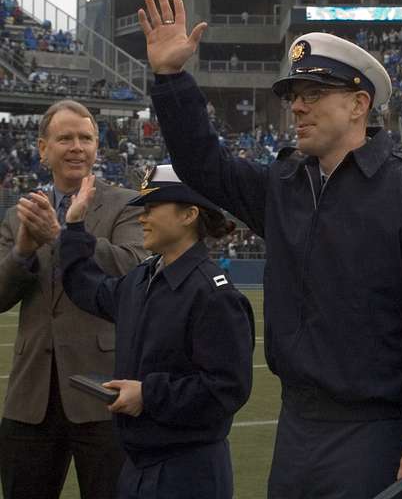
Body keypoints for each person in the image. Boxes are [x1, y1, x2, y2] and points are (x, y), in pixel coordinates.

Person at [137, 0, 402, 499]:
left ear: (359, 104)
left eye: (314, 93)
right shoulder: (285, 186)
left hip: (376, 428)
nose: (297, 105)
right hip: (298, 424)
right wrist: (170, 79)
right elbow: (202, 164)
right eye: (294, 93)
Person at [59, 165, 255, 499]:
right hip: (137, 467)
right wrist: (75, 227)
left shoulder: (213, 295)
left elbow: (226, 390)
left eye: (152, 209)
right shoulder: (142, 279)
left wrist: (148, 395)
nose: (142, 218)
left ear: (189, 215)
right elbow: (87, 289)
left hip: (188, 472)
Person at [0, 100, 147, 499]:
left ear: (98, 148)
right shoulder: (19, 215)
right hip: (31, 395)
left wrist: (61, 237)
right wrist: (22, 254)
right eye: (65, 138)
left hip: (102, 390)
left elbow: (133, 270)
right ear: (43, 149)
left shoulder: (126, 203)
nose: (77, 147)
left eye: (86, 138)